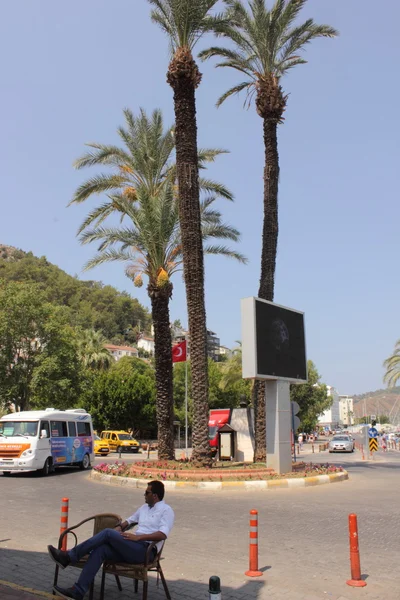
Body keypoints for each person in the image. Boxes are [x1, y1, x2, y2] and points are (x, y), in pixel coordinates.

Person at [48, 480, 174, 600]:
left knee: (108, 533)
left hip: (145, 550)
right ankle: (78, 591)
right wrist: (120, 527)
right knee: (101, 550)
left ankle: (70, 556)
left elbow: (163, 534)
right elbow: (129, 521)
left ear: (155, 496)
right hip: (131, 546)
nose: (144, 495)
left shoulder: (166, 510)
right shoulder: (144, 508)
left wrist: (138, 537)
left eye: (147, 493)